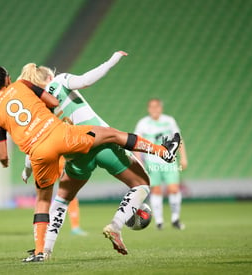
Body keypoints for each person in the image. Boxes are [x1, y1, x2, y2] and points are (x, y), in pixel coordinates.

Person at [0, 65, 180, 262]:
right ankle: (162, 154)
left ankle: (43, 250)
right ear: (8, 78)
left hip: (54, 155)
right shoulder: (31, 85)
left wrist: (20, 167)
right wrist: (113, 59)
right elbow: (82, 82)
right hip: (77, 140)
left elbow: (3, 154)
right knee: (120, 147)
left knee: (54, 200)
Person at [18, 51, 156, 258]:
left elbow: (36, 144)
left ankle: (44, 249)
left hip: (75, 155)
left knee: (62, 200)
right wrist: (112, 60)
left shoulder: (38, 108)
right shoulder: (59, 81)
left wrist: (27, 168)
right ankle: (116, 226)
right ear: (48, 77)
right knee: (141, 183)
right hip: (100, 141)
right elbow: (86, 80)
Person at [134, 98, 188, 230]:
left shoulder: (169, 121)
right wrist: (139, 161)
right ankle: (159, 221)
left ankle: (175, 219)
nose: (154, 109)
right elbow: (136, 143)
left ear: (160, 108)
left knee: (173, 189)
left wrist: (184, 157)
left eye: (156, 106)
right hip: (151, 162)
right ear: (148, 109)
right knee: (156, 190)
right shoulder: (143, 123)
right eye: (151, 107)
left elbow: (178, 138)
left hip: (169, 161)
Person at [23, 155, 88, 236]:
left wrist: (26, 170)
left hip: (44, 161)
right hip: (58, 160)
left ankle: (39, 228)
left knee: (42, 198)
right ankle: (75, 227)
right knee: (69, 194)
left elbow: (31, 149)